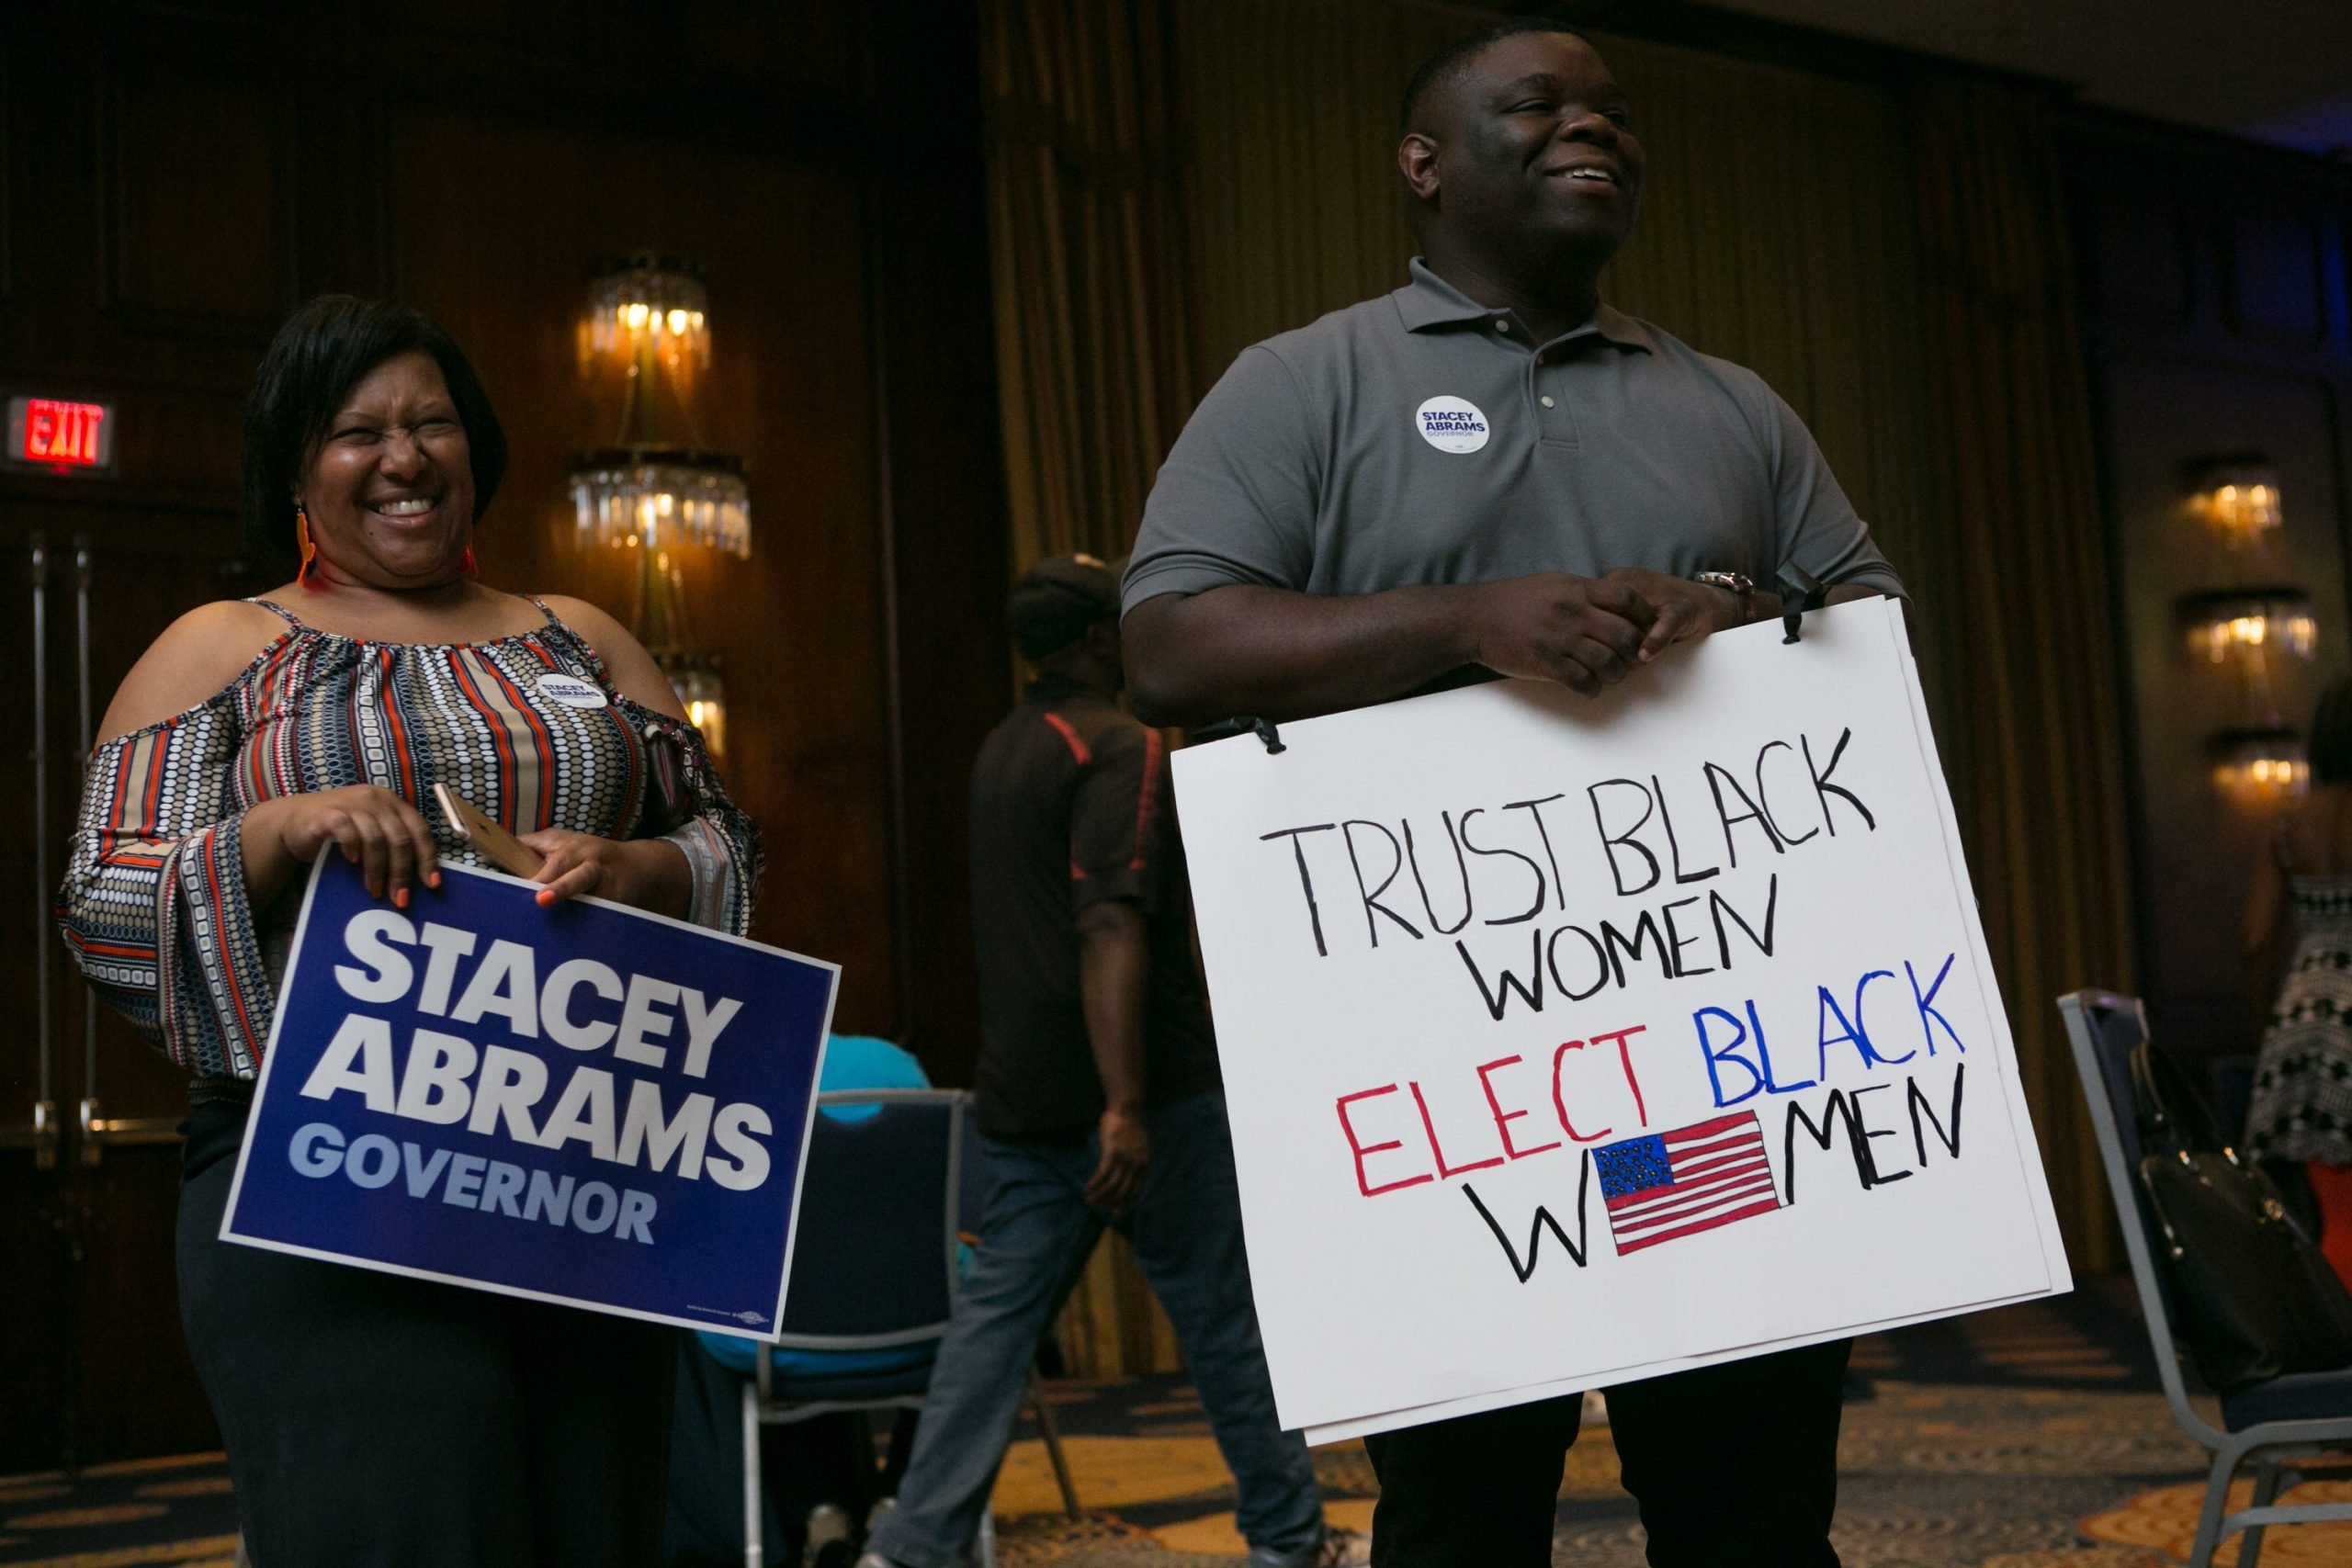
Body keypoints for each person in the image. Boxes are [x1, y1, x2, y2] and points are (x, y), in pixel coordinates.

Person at [1121, 20, 1905, 1568]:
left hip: (1714, 1060)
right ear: (1422, 165)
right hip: (1445, 1088)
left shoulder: (1731, 399)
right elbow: (1168, 641)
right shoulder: (1306, 383)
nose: (1589, 127)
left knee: (1751, 1507)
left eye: (1612, 111)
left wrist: (1738, 615)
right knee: (1463, 1518)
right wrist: (1467, 619)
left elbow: (1870, 631)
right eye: (1537, 106)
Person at [56, 294, 760, 1566]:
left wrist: (637, 866)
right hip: (333, 1172)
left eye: (432, 421)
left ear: (475, 447)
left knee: (597, 1532)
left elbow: (729, 847)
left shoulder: (582, 636)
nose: (404, 454)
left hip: (581, 1167)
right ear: (294, 469)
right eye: (357, 430)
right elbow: (104, 897)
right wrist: (281, 829)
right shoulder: (224, 646)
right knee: (407, 1525)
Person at [858, 555, 1358, 1568]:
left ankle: (912, 1548)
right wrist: (1126, 1103)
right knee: (1223, 1328)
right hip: (1144, 1102)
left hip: (1022, 1096)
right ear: (1099, 642)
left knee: (990, 1341)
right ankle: (1288, 1540)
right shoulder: (1119, 746)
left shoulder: (1003, 749)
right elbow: (1107, 926)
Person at [2243, 678, 2352, 1290]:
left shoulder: (2290, 825)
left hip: (2304, 1015)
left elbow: (2256, 941)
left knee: (2332, 1208)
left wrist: (2268, 1027)